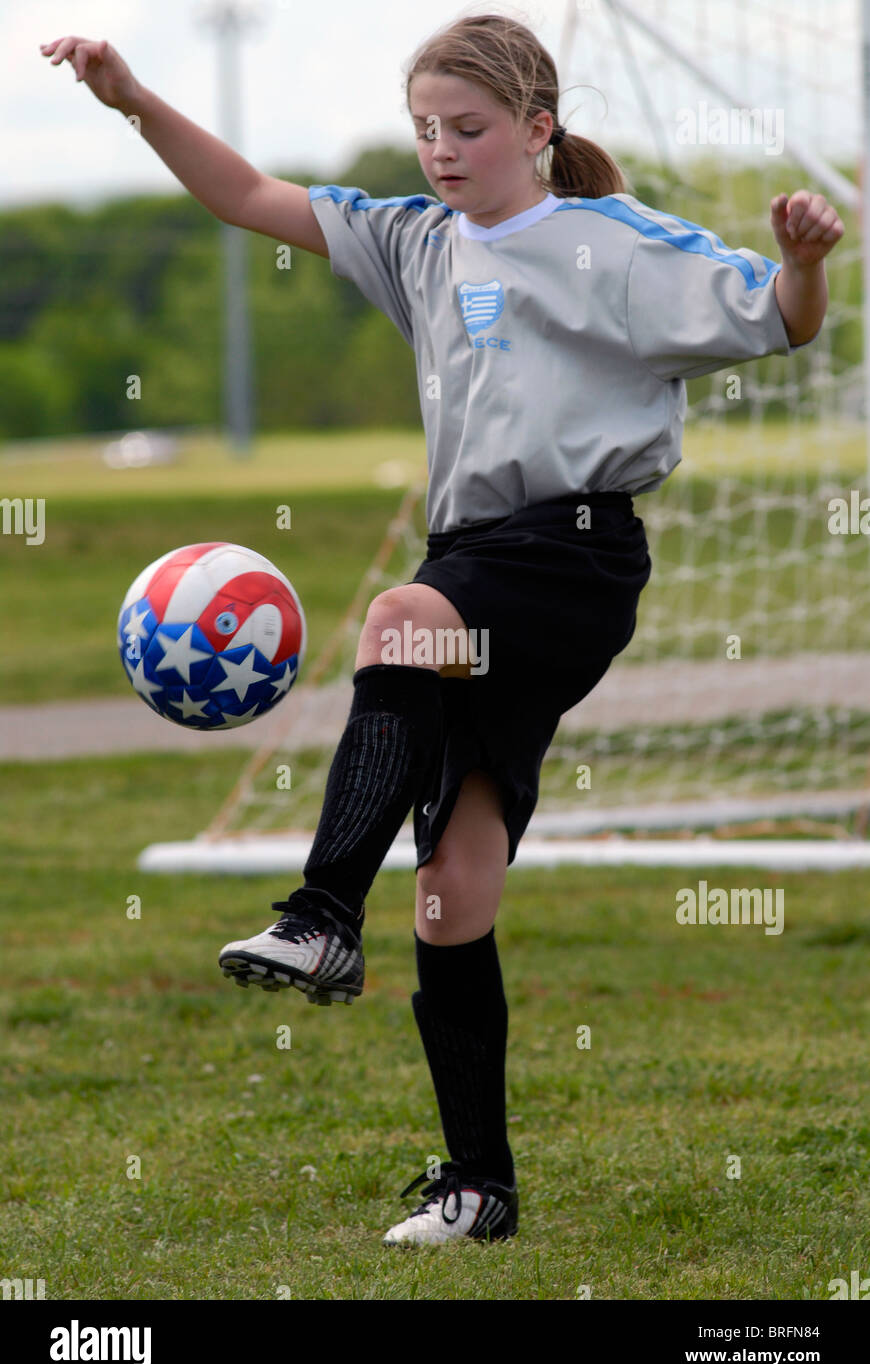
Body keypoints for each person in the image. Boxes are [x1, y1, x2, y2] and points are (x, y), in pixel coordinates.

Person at [42, 11, 842, 1249]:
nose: (441, 152)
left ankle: (317, 917)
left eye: (467, 129)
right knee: (455, 889)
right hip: (473, 559)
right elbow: (250, 194)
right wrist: (131, 97)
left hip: (573, 557)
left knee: (401, 617)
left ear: (537, 127)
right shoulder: (419, 243)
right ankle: (479, 1189)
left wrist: (801, 260)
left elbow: (783, 320)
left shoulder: (610, 243)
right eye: (425, 130)